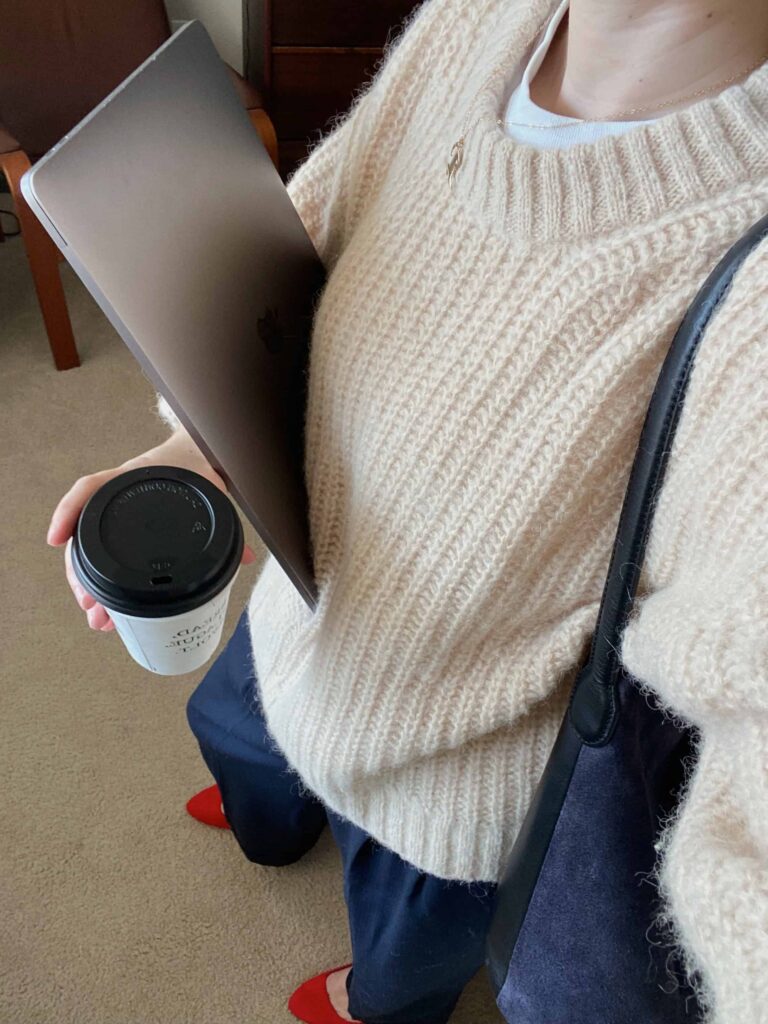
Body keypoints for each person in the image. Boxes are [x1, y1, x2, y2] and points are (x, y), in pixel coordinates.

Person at [47, 0, 768, 1021]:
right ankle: (278, 807)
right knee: (241, 742)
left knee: (404, 957)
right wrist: (200, 446)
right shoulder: (483, 13)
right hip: (299, 609)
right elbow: (317, 224)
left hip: (447, 780)